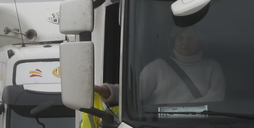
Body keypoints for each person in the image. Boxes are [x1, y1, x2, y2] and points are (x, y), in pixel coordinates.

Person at [96, 28, 225, 106]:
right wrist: (107, 90)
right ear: (173, 42)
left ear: (199, 41)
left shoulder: (212, 67)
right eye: (181, 38)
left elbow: (216, 97)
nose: (185, 42)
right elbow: (134, 94)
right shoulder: (157, 67)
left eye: (191, 38)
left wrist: (186, 110)